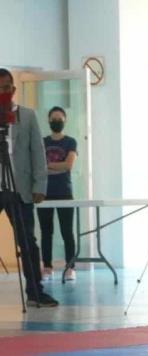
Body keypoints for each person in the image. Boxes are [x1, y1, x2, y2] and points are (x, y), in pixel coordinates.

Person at [0, 68, 59, 307]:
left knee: (27, 242)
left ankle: (35, 290)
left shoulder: (28, 115)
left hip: (20, 188)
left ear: (13, 89)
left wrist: (40, 185)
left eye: (5, 87)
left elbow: (38, 153)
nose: (2, 92)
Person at [37, 106, 77, 281]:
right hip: (43, 193)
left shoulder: (71, 141)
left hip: (65, 193)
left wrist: (48, 167)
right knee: (46, 232)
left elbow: (68, 165)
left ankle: (70, 267)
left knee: (67, 232)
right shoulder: (42, 142)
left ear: (65, 121)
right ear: (48, 120)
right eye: (54, 119)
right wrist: (56, 166)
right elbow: (38, 167)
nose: (57, 121)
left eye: (60, 119)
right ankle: (47, 267)